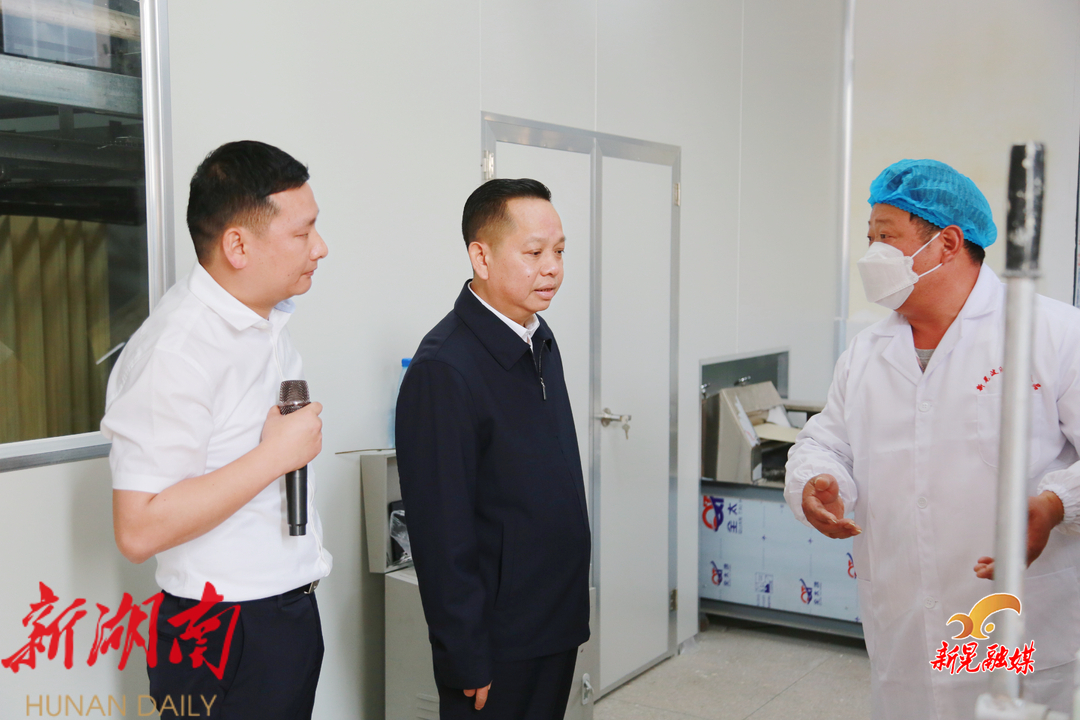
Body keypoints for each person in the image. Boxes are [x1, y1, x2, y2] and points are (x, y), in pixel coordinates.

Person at [785, 158, 1080, 719]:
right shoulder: (867, 353)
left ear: (947, 243)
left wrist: (1055, 503)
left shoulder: (1054, 334)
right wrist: (815, 479)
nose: (871, 254)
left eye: (886, 237)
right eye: (869, 238)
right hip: (904, 628)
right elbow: (825, 442)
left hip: (1019, 628)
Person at [101, 141, 331, 720]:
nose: (320, 248)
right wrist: (275, 456)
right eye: (302, 233)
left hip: (283, 615)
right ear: (237, 246)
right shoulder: (177, 350)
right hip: (221, 631)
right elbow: (138, 528)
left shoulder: (263, 323)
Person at [395, 178, 591, 720]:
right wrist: (464, 655)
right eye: (533, 252)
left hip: (553, 619)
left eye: (559, 252)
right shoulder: (445, 368)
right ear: (480, 257)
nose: (551, 268)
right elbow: (440, 534)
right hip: (499, 641)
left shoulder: (538, 338)